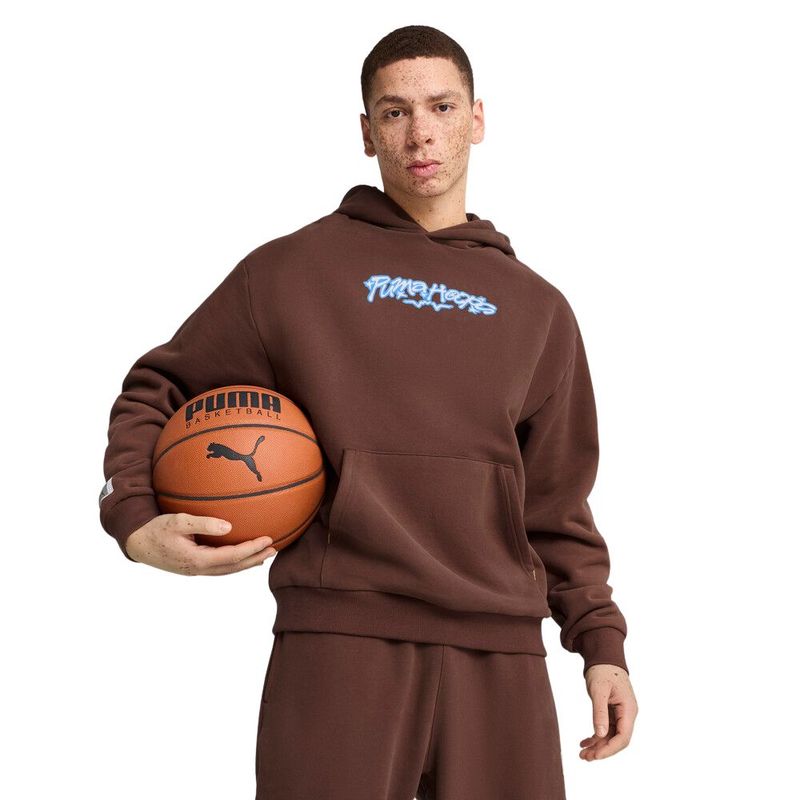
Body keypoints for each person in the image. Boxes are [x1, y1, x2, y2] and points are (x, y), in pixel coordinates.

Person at [99, 24, 638, 799]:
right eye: (394, 112)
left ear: (477, 120)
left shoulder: (539, 310)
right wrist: (134, 518)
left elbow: (556, 507)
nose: (420, 134)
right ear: (365, 132)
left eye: (441, 107)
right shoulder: (290, 273)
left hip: (501, 651)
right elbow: (158, 385)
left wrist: (601, 646)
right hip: (340, 641)